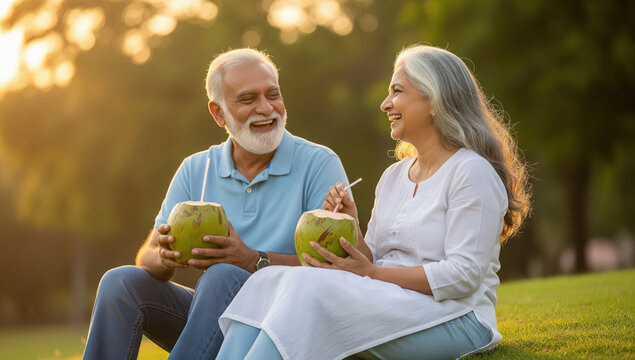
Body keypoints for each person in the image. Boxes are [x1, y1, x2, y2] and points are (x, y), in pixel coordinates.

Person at [216, 45, 531, 360]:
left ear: (434, 100)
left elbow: (464, 275)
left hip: (456, 318)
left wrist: (371, 273)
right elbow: (374, 259)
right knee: (270, 278)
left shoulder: (471, 171)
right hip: (389, 301)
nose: (386, 103)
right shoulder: (393, 176)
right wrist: (351, 229)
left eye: (397, 91)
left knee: (306, 289)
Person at [82, 48, 351, 360]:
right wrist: (165, 256)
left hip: (284, 325)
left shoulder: (318, 163)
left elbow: (339, 267)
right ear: (218, 113)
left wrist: (253, 260)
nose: (266, 108)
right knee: (120, 282)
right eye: (248, 99)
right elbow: (148, 255)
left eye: (272, 95)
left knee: (223, 274)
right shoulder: (197, 168)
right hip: (215, 320)